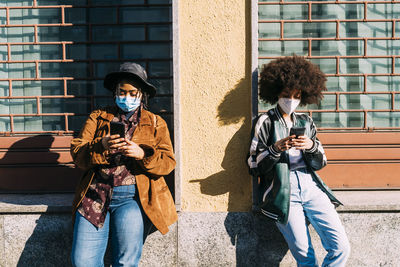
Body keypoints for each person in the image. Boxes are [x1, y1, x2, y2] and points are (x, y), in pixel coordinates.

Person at [70, 62, 177, 267]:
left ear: (142, 95)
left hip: (132, 199)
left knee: (126, 262)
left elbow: (168, 163)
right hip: (95, 195)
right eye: (122, 92)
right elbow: (77, 153)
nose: (126, 97)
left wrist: (142, 153)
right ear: (114, 92)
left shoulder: (156, 123)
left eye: (132, 93)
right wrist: (100, 145)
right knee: (83, 261)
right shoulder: (98, 117)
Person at [248, 55, 350, 267]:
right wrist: (276, 148)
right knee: (305, 257)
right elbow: (252, 164)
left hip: (311, 186)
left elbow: (321, 161)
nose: (291, 100)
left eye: (296, 95)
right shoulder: (264, 122)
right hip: (283, 190)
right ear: (276, 93)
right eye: (286, 94)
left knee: (341, 247)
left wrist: (310, 147)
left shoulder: (306, 121)